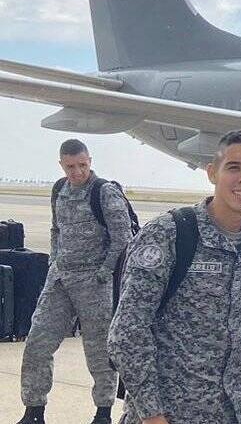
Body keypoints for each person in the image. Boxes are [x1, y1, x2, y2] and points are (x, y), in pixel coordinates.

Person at [108, 130, 241, 423]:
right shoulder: (169, 234)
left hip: (233, 413)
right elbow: (127, 332)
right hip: (170, 415)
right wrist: (152, 414)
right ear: (212, 172)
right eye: (234, 167)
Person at [17, 139, 134, 424]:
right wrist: (54, 261)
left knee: (99, 353)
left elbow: (123, 239)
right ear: (61, 165)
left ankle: (103, 413)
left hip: (95, 283)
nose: (77, 172)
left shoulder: (104, 192)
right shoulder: (60, 189)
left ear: (89, 161)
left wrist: (104, 273)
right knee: (37, 344)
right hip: (60, 280)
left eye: (82, 165)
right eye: (70, 166)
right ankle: (34, 411)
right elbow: (56, 229)